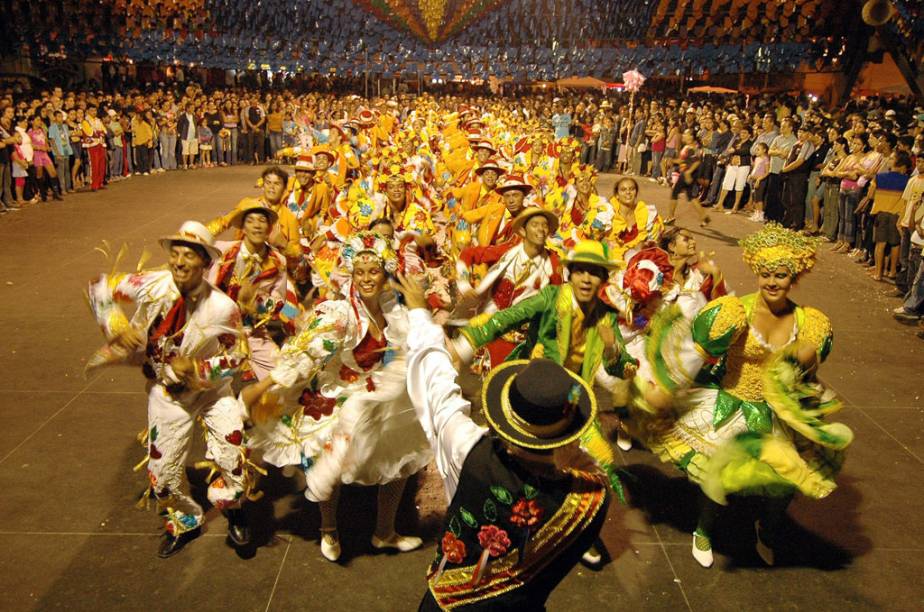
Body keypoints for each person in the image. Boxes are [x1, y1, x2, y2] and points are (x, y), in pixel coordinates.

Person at [639, 223, 853, 568]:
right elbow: (694, 354)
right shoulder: (735, 312)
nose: (772, 282)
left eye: (780, 275)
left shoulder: (807, 321)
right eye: (766, 274)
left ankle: (768, 529)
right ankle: (704, 529)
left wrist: (805, 363)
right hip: (731, 404)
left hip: (777, 412)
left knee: (784, 481)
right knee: (718, 474)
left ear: (794, 277)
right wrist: (668, 387)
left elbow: (807, 370)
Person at [398, 273, 609, 610]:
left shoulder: (469, 449)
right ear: (569, 434)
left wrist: (421, 316)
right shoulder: (591, 500)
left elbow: (438, 388)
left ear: (507, 429)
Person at [241, 232, 432, 562]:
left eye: (373, 271)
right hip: (339, 395)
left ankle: (384, 532)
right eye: (360, 272)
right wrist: (262, 387)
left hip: (376, 394)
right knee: (328, 464)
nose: (366, 278)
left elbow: (412, 343)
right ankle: (328, 529)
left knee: (400, 459)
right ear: (351, 275)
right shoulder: (341, 314)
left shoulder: (393, 311)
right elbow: (307, 352)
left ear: (385, 274)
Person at [87, 221, 252, 557]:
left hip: (212, 392)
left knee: (232, 456)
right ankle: (185, 521)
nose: (178, 262)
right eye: (175, 254)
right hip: (167, 394)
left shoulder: (223, 308)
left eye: (188, 255)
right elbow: (99, 286)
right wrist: (116, 326)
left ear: (205, 263)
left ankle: (233, 507)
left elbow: (237, 357)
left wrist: (199, 370)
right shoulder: (152, 284)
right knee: (161, 475)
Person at [208, 201, 299, 381]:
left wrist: (257, 304)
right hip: (215, 326)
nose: (256, 225)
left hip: (251, 329)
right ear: (243, 228)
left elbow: (278, 302)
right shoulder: (223, 251)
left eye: (262, 221)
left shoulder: (278, 261)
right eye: (250, 221)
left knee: (282, 377)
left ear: (269, 228)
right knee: (206, 378)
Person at [667, 129, 710, 227]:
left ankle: (670, 217)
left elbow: (696, 162)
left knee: (674, 193)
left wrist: (688, 172)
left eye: (686, 134)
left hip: (686, 174)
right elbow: (683, 160)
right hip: (688, 174)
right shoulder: (689, 147)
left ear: (691, 137)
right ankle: (704, 217)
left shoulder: (691, 148)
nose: (683, 135)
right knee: (691, 197)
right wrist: (672, 161)